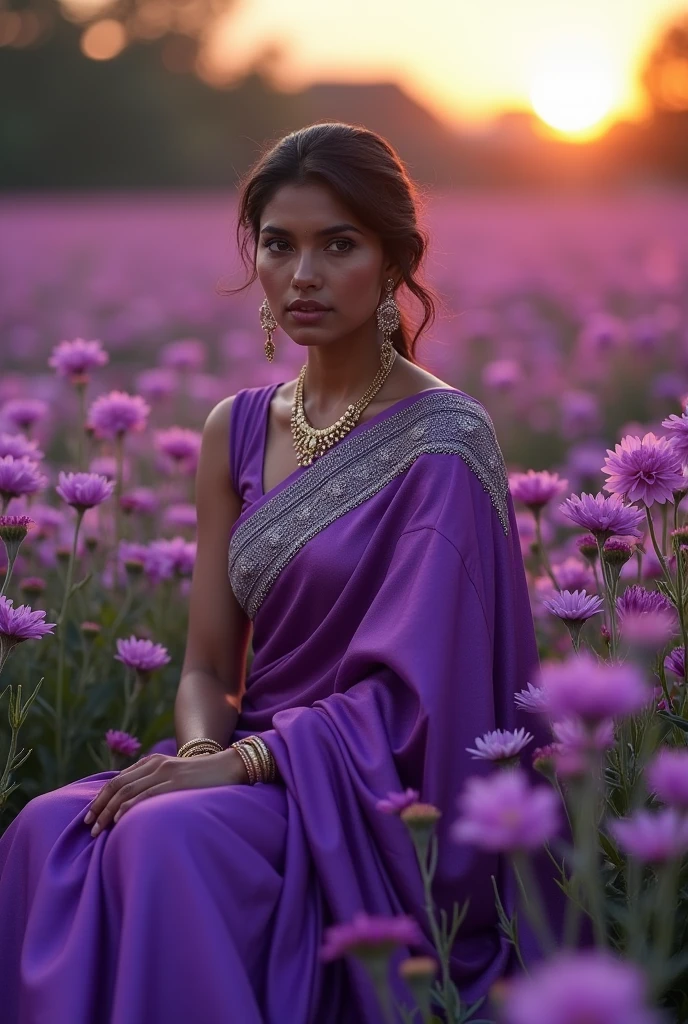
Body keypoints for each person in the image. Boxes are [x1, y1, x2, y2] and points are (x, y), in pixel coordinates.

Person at [0, 122, 552, 1024]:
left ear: (392, 258)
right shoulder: (237, 428)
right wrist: (204, 752)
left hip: (369, 800)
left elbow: (425, 700)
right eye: (279, 244)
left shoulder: (447, 441)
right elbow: (212, 666)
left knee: (165, 838)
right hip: (245, 763)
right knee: (44, 831)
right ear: (253, 257)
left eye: (338, 244)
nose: (304, 274)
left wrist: (251, 762)